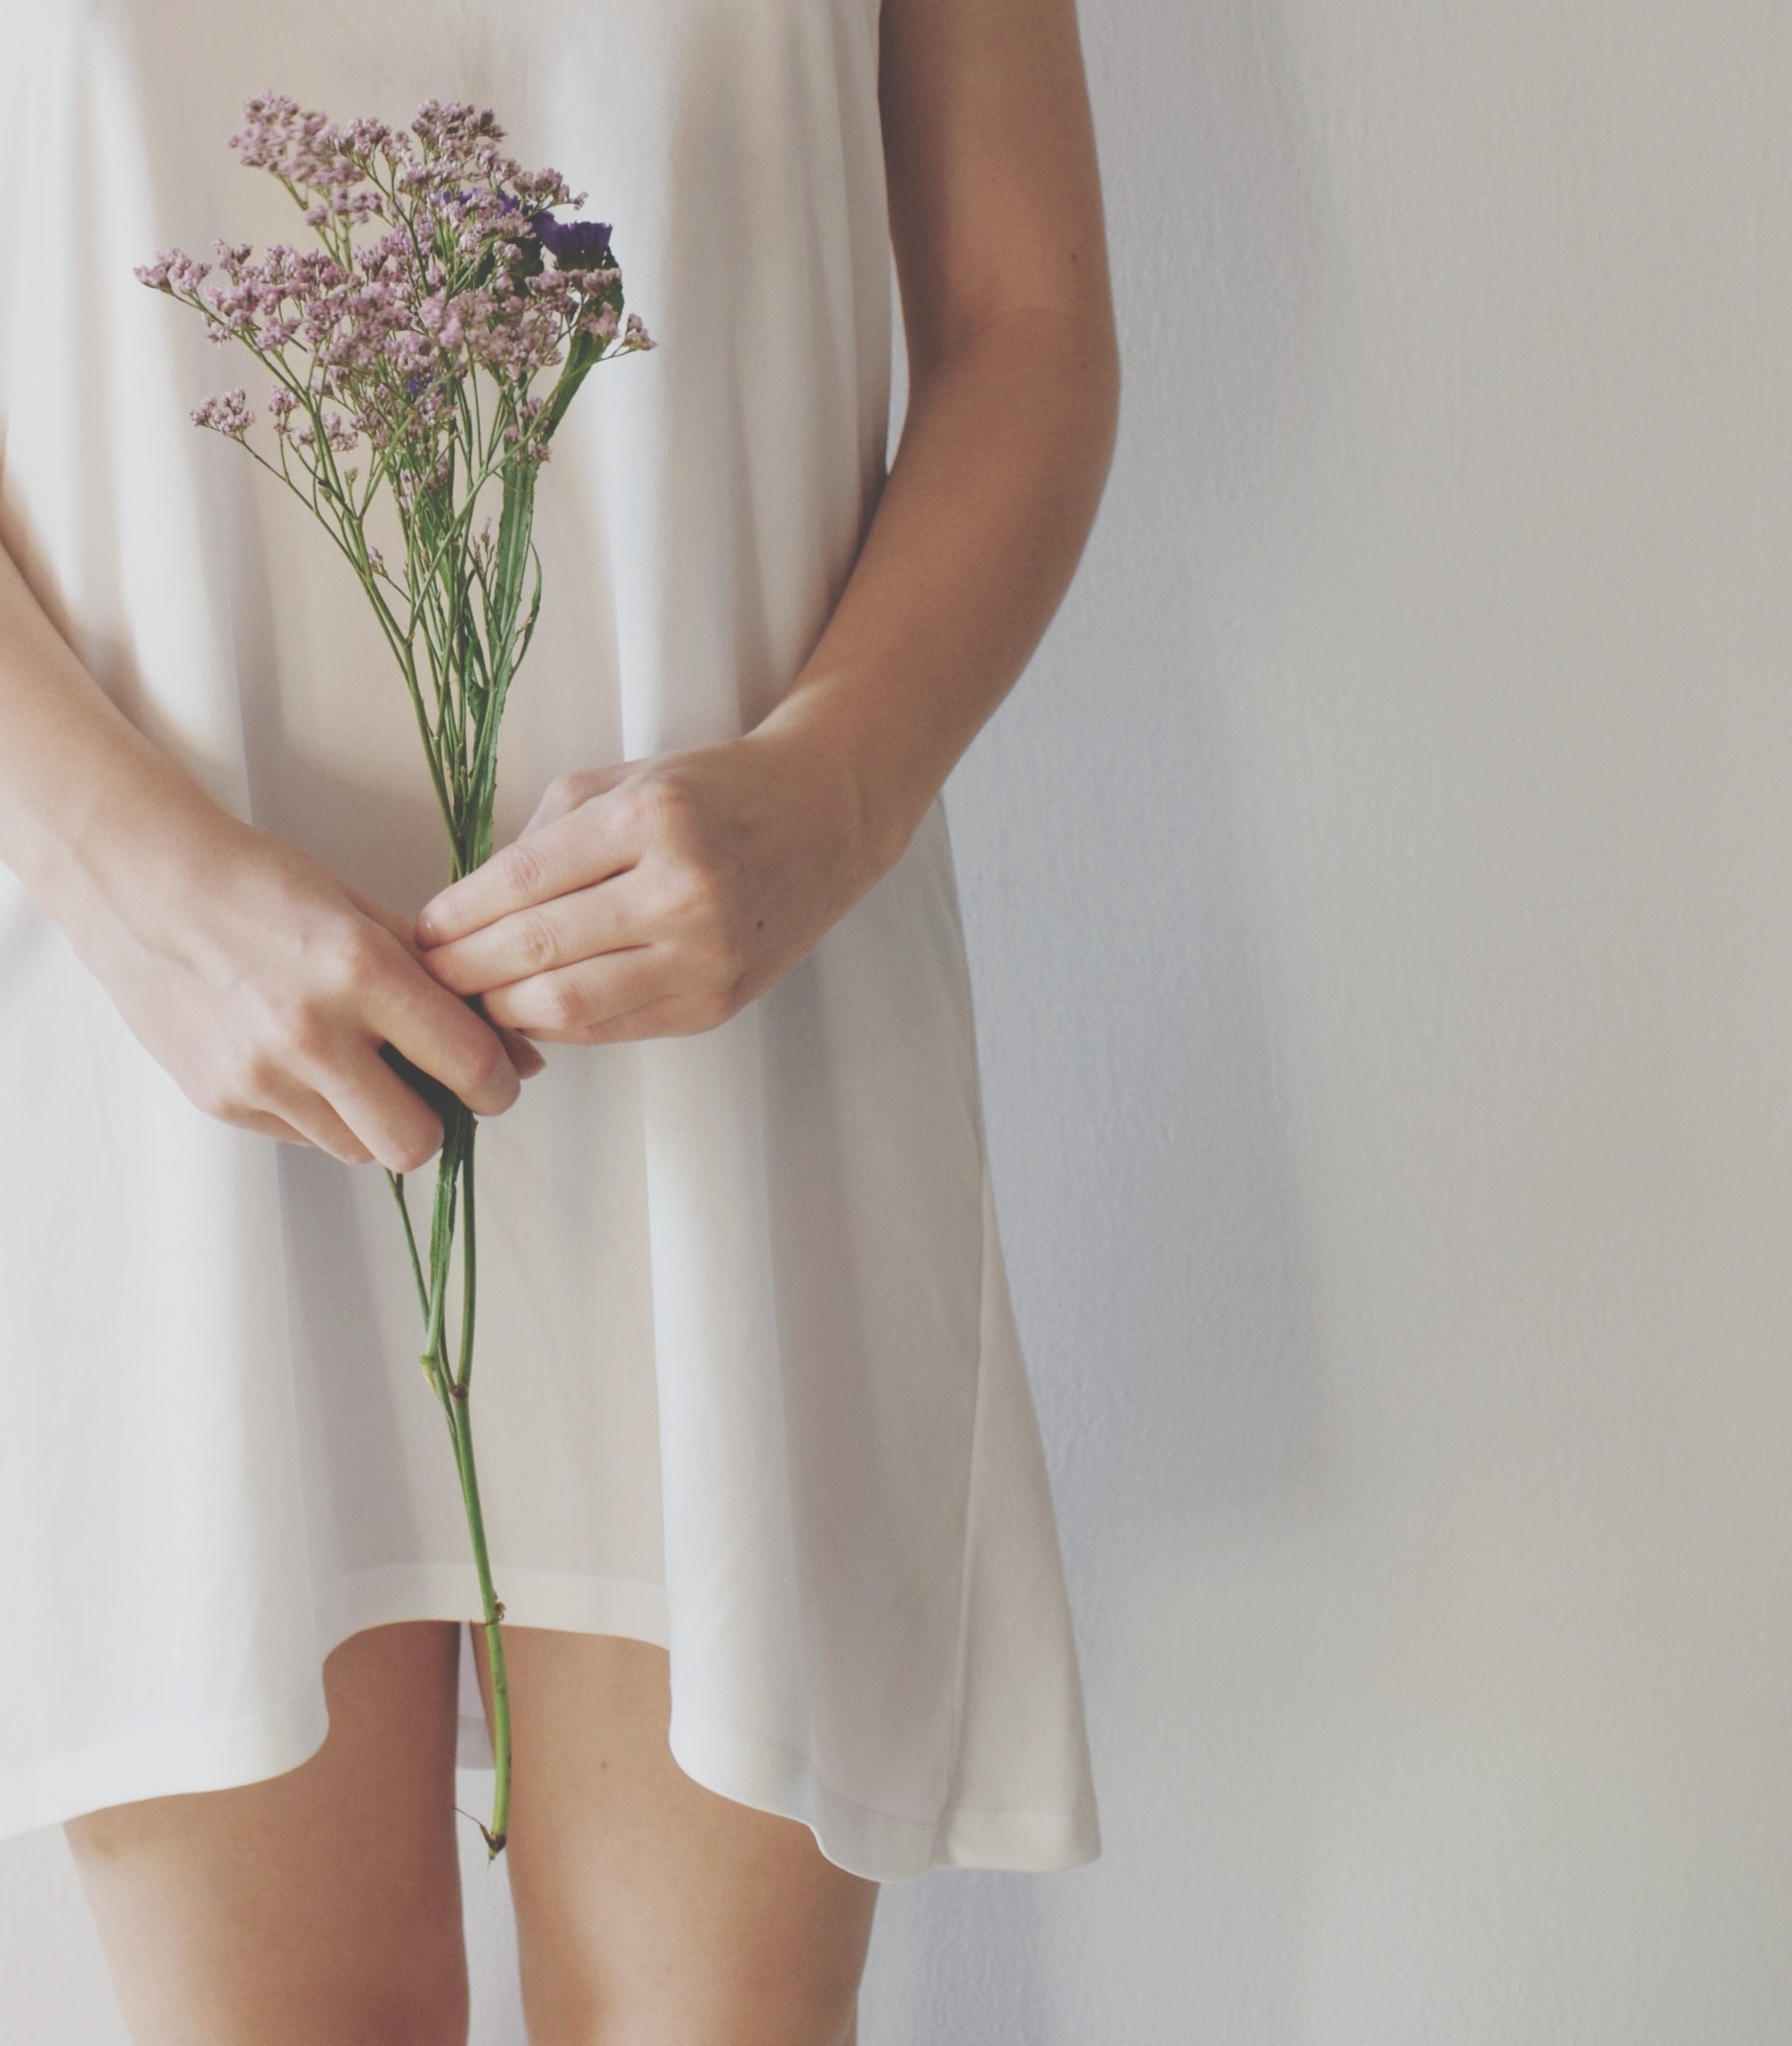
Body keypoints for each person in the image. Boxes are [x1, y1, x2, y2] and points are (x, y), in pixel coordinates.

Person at [0, 0, 1118, 2037]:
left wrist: (838, 793)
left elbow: (1024, 322)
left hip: (740, 1031)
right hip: (160, 1045)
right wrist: (130, 886)